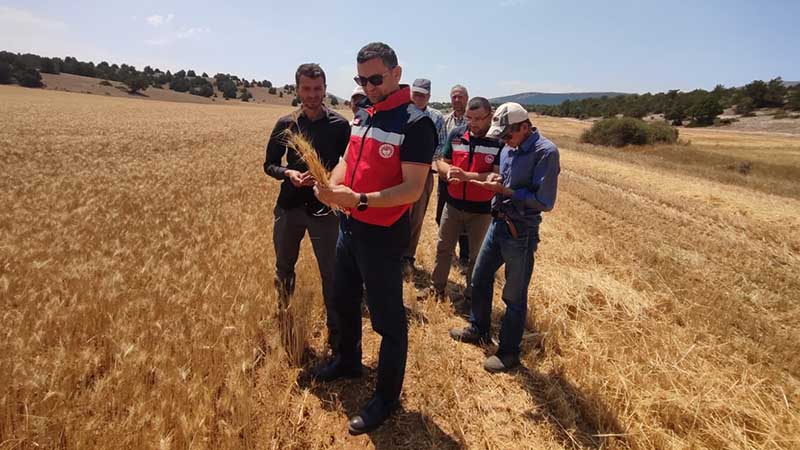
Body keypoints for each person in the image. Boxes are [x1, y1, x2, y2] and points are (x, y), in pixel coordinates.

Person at [312, 42, 436, 435]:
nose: (368, 86)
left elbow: (413, 189)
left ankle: (385, 397)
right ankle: (348, 361)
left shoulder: (416, 124)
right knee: (344, 300)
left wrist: (360, 199)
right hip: (350, 227)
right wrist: (332, 185)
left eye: (376, 78)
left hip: (382, 235)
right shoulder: (363, 115)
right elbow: (348, 161)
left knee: (388, 321)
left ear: (397, 74)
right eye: (361, 79)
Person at [449, 102, 560, 373]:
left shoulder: (546, 152)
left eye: (507, 136)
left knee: (514, 295)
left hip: (520, 232)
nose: (505, 142)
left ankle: (509, 352)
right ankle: (479, 327)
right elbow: (506, 179)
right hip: (498, 224)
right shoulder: (510, 148)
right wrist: (498, 181)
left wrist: (507, 191)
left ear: (524, 127)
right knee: (479, 277)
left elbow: (545, 201)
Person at [262, 63, 350, 353]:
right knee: (284, 268)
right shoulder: (285, 124)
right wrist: (289, 174)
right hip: (289, 208)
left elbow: (347, 163)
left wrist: (332, 184)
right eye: (306, 89)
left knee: (331, 273)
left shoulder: (340, 126)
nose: (312, 94)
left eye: (318, 88)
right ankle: (284, 319)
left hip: (325, 212)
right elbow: (269, 165)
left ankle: (336, 334)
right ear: (297, 89)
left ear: (325, 89)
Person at [430, 97, 501, 300]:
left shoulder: (497, 142)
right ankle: (437, 289)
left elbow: (495, 176)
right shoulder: (456, 134)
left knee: (477, 257)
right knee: (443, 248)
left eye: (479, 118)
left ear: (490, 116)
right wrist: (449, 172)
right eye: (470, 118)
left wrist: (465, 177)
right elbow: (442, 162)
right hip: (452, 205)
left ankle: (472, 296)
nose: (474, 123)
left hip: (482, 210)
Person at [403, 78, 446, 276]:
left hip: (425, 171)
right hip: (399, 171)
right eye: (415, 93)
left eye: (422, 94)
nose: (417, 97)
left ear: (429, 96)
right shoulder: (402, 112)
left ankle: (407, 257)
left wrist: (419, 159)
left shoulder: (436, 117)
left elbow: (440, 146)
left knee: (416, 217)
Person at [438, 85, 471, 268]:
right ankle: (448, 253)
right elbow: (441, 146)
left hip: (465, 179)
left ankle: (465, 256)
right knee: (440, 215)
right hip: (445, 176)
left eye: (460, 96)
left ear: (467, 98)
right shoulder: (445, 120)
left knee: (464, 221)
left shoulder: (473, 120)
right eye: (454, 97)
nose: (457, 100)